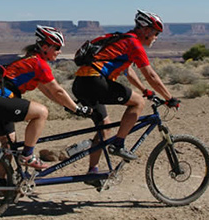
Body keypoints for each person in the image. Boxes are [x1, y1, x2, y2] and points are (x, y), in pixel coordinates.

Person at [72, 10, 180, 186]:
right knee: (138, 103)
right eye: (155, 32)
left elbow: (128, 71)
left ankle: (93, 172)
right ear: (145, 30)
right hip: (95, 81)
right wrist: (169, 98)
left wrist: (145, 90)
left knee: (104, 127)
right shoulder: (134, 43)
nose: (156, 37)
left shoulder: (122, 40)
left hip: (81, 84)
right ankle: (119, 144)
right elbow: (151, 74)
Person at [0, 25, 90, 187]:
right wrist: (78, 109)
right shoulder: (38, 63)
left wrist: (68, 106)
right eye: (57, 48)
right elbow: (57, 90)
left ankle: (3, 186)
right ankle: (28, 156)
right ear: (45, 47)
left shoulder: (31, 60)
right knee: (41, 112)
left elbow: (49, 92)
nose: (59, 51)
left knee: (9, 147)